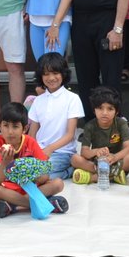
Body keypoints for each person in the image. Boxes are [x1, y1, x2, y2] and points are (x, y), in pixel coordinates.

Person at [0, 101, 68, 218]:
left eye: (15, 126)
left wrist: (31, 173)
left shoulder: (30, 142)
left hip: (31, 187)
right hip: (8, 188)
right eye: (5, 125)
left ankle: (13, 204)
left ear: (25, 128)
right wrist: (5, 162)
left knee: (58, 183)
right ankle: (42, 203)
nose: (10, 131)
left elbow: (45, 176)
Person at [26, 52, 84, 180]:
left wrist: (49, 149)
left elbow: (69, 135)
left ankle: (69, 170)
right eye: (46, 74)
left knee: (38, 176)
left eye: (55, 73)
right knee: (19, 172)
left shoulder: (72, 99)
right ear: (40, 76)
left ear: (63, 74)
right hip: (39, 152)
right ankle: (67, 172)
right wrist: (32, 152)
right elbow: (32, 134)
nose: (51, 78)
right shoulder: (38, 101)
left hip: (62, 153)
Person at [70, 87, 129, 185]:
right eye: (100, 108)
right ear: (94, 110)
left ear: (116, 111)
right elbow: (84, 152)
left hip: (116, 161)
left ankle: (93, 177)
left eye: (110, 109)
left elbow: (128, 148)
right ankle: (115, 175)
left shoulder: (121, 123)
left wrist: (114, 157)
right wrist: (96, 151)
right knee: (75, 159)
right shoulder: (89, 126)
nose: (104, 113)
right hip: (97, 162)